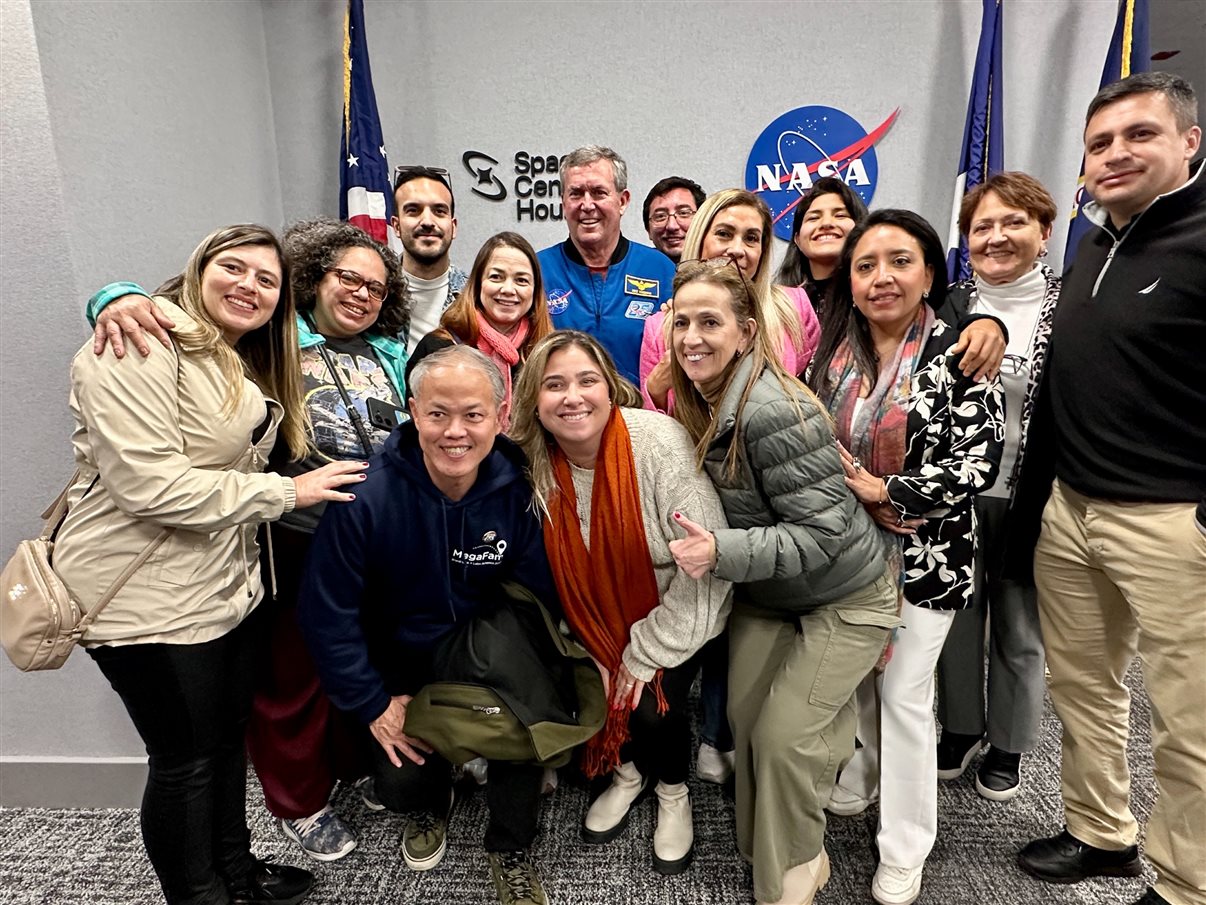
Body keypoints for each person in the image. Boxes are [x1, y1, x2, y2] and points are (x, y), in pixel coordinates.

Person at [53, 224, 367, 905]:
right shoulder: (139, 342)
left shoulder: (231, 354)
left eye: (267, 279)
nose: (249, 285)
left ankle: (237, 872)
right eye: (234, 267)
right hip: (144, 597)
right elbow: (149, 487)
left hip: (220, 585)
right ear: (199, 268)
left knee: (225, 742)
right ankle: (200, 894)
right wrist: (289, 492)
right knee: (184, 763)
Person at [1011, 72, 1206, 905]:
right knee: (1083, 688)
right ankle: (1101, 831)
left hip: (1173, 523)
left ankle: (1188, 883)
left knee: (1190, 722)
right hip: (1074, 509)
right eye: (1099, 143)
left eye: (1139, 135)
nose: (1115, 154)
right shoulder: (1095, 241)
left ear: (1189, 141)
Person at [665, 259, 900, 905]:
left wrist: (721, 550)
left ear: (746, 332)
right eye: (681, 322)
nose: (692, 337)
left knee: (784, 738)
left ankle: (792, 872)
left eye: (709, 322)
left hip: (844, 594)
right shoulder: (701, 396)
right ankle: (766, 851)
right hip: (772, 592)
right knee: (745, 720)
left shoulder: (772, 408)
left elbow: (821, 535)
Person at [298, 345, 562, 905]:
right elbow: (327, 615)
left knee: (525, 741)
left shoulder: (519, 490)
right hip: (400, 667)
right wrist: (373, 702)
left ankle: (510, 847)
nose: (455, 432)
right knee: (400, 783)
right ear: (413, 412)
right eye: (438, 413)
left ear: (501, 416)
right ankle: (434, 798)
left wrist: (528, 686)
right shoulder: (363, 498)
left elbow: (537, 599)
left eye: (473, 414)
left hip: (488, 654)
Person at [809, 210, 1004, 905]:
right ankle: (864, 774)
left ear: (928, 273)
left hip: (928, 556)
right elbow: (815, 439)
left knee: (904, 694)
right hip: (848, 549)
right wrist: (851, 496)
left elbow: (976, 464)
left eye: (899, 261)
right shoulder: (835, 353)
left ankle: (905, 844)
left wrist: (884, 491)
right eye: (865, 265)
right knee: (860, 678)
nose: (881, 277)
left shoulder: (960, 352)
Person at [509, 330, 731, 875]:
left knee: (650, 707)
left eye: (587, 380)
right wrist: (586, 647)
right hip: (591, 618)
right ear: (534, 402)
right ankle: (628, 774)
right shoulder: (535, 464)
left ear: (611, 388)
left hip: (678, 608)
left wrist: (642, 652)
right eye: (554, 385)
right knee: (591, 689)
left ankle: (673, 791)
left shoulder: (658, 442)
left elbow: (710, 571)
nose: (572, 397)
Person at [933, 173, 1061, 802]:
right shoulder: (951, 306)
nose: (996, 237)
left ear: (1045, 231)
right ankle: (960, 727)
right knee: (956, 618)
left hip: (1033, 493)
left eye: (1014, 222)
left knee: (1019, 624)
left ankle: (1008, 743)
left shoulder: (1070, 308)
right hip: (959, 493)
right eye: (982, 226)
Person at [537, 145, 676, 385]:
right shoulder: (537, 270)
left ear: (622, 201)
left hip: (641, 407)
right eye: (576, 194)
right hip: (564, 406)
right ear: (563, 204)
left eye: (598, 193)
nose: (587, 205)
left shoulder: (660, 270)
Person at [405, 231, 554, 428]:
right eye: (496, 277)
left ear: (535, 291)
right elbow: (416, 428)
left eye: (521, 280)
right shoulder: (438, 348)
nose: (508, 289)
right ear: (477, 284)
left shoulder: (546, 354)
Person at [391, 165, 468, 353]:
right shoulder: (374, 294)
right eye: (413, 210)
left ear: (453, 227)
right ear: (396, 226)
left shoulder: (475, 297)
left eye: (439, 211)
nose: (427, 221)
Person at [775, 176, 869, 320]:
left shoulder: (875, 295)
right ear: (797, 239)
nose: (826, 223)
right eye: (813, 218)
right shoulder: (779, 306)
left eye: (840, 215)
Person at [642, 176, 706, 263]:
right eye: (660, 216)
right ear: (648, 230)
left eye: (683, 213)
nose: (672, 226)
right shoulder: (636, 267)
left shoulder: (721, 268)